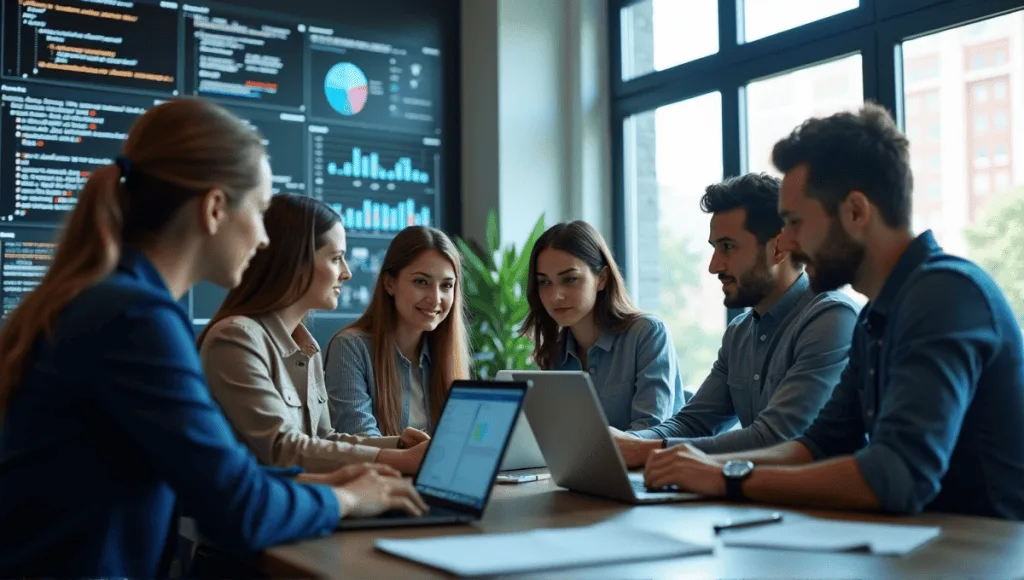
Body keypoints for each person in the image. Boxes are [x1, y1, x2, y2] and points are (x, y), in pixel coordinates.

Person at [0, 98, 426, 578]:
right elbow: (236, 508)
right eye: (261, 211)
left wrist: (320, 480)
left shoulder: (109, 301)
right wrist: (345, 498)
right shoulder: (136, 318)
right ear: (215, 207)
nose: (265, 239)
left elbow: (202, 475)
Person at [644, 102, 1024, 521]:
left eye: (794, 222)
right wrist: (707, 467)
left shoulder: (945, 294)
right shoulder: (876, 316)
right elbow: (817, 444)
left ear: (856, 211)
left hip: (987, 551)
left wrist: (731, 479)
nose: (785, 241)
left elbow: (895, 475)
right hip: (923, 546)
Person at [612, 173, 860, 466]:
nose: (714, 266)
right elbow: (692, 423)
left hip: (824, 508)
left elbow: (779, 438)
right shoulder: (739, 333)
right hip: (761, 499)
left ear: (779, 248)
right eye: (714, 247)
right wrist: (626, 442)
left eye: (728, 246)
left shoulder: (831, 318)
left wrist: (649, 450)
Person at [197, 193, 429, 475]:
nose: (346, 273)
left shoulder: (307, 348)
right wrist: (402, 461)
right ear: (295, 262)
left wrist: (399, 446)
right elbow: (283, 448)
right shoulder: (235, 339)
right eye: (336, 259)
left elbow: (322, 441)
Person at [523, 220, 684, 430]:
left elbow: (650, 433)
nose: (555, 296)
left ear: (602, 278)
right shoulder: (555, 354)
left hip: (646, 462)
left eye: (570, 279)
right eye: (544, 282)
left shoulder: (647, 334)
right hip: (586, 463)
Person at [325, 226, 471, 437]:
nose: (435, 298)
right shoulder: (350, 347)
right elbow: (361, 440)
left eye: (446, 286)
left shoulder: (446, 353)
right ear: (389, 283)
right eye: (421, 282)